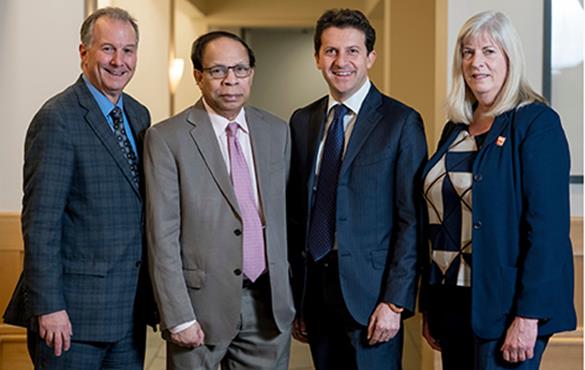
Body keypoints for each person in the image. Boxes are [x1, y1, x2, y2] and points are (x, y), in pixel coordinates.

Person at [420, 10, 577, 370]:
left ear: (510, 58)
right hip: (454, 304)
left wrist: (528, 315)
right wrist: (431, 304)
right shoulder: (454, 129)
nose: (477, 63)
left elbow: (549, 231)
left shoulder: (536, 122)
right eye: (468, 52)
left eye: (489, 52)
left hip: (507, 308)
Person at [2, 7, 156, 369]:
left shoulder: (139, 115)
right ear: (84, 53)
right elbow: (40, 224)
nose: (119, 61)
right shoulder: (58, 119)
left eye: (129, 50)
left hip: (127, 313)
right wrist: (49, 306)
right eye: (108, 49)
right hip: (70, 319)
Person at [144, 31, 295, 370]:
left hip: (267, 306)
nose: (231, 80)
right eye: (217, 71)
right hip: (199, 308)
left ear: (252, 74)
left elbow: (287, 220)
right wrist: (177, 316)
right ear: (198, 76)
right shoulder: (167, 138)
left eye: (240, 69)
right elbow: (161, 236)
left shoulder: (277, 131)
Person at [287, 8, 427, 370]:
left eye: (352, 51)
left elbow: (412, 219)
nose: (341, 61)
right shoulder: (303, 121)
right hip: (316, 291)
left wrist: (395, 302)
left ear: (370, 58)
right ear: (317, 57)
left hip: (372, 296)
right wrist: (298, 299)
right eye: (331, 51)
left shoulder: (401, 122)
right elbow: (296, 215)